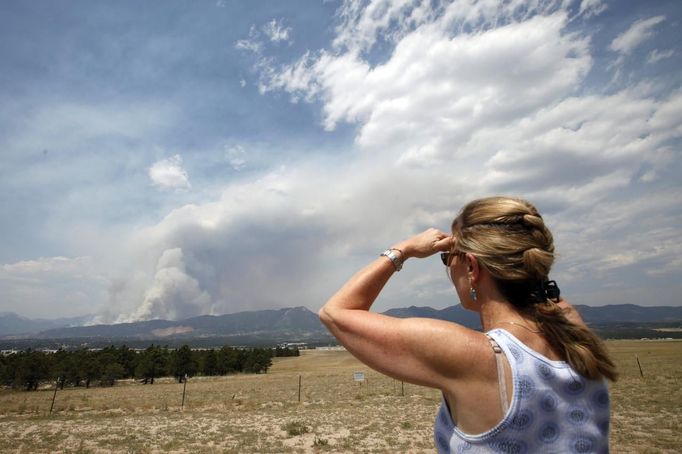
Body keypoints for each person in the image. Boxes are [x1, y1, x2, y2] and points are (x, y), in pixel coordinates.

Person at [319, 196, 617, 453]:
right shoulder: (574, 332)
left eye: (448, 258)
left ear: (472, 268)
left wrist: (404, 249)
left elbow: (336, 312)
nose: (448, 266)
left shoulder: (478, 357)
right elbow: (547, 296)